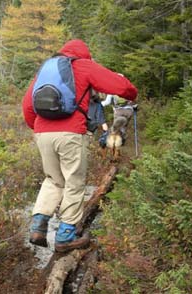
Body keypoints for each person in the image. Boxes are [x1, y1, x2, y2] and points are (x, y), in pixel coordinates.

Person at [22, 39, 137, 253]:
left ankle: (38, 227)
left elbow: (27, 105)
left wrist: (39, 129)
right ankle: (65, 237)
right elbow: (121, 86)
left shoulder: (46, 69)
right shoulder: (83, 65)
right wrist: (132, 94)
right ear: (85, 54)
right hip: (71, 132)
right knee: (74, 183)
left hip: (42, 132)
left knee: (53, 180)